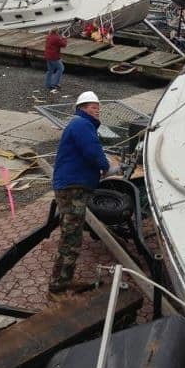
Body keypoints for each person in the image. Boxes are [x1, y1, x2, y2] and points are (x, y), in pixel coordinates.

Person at [48, 91, 113, 297]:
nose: (97, 110)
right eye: (93, 107)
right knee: (71, 237)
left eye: (98, 106)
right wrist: (107, 167)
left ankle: (65, 279)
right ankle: (57, 287)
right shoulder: (82, 125)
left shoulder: (81, 125)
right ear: (82, 108)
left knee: (73, 235)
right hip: (72, 187)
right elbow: (93, 151)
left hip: (72, 185)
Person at [44, 28, 67, 94]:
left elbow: (56, 42)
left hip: (48, 56)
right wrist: (64, 38)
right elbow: (64, 45)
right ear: (57, 31)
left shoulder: (48, 36)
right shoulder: (56, 38)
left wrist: (60, 38)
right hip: (54, 57)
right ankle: (54, 83)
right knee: (61, 68)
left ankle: (48, 84)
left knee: (50, 70)